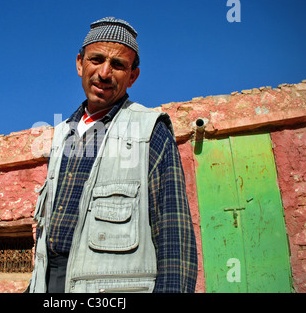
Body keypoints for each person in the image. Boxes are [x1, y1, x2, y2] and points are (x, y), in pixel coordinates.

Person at [29, 17, 198, 293]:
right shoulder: (60, 135)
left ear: (133, 76)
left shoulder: (150, 130)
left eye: (118, 65)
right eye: (96, 59)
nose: (104, 73)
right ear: (80, 63)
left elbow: (174, 235)